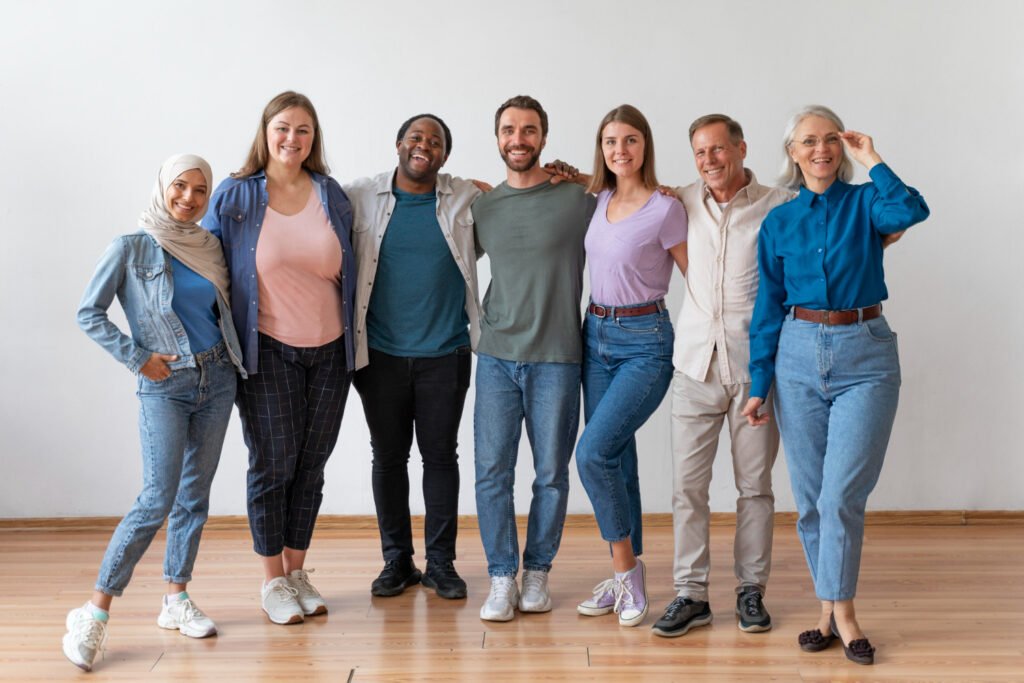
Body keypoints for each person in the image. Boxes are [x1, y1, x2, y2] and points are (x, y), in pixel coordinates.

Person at [743, 105, 929, 665]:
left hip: (864, 354)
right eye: (808, 141)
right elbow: (768, 307)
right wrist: (759, 383)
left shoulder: (867, 202)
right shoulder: (778, 221)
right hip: (796, 356)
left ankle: (842, 613)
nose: (820, 149)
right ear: (792, 153)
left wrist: (871, 157)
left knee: (841, 494)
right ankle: (826, 609)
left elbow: (913, 209)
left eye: (831, 140)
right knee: (809, 500)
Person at [65, 154, 244, 671]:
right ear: (163, 187)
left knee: (194, 495)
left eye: (200, 191)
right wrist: (137, 356)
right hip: (165, 385)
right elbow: (88, 313)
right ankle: (94, 613)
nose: (189, 199)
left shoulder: (210, 246)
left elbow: (221, 312)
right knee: (155, 499)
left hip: (218, 378)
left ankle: (176, 599)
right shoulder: (131, 246)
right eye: (180, 187)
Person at [204, 91, 356, 625]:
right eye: (283, 128)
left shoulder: (331, 194)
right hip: (267, 350)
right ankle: (271, 580)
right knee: (273, 465)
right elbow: (206, 268)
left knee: (311, 468)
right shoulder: (237, 196)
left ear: (315, 140)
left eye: (304, 131)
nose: (293, 139)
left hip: (332, 351)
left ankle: (295, 572)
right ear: (265, 132)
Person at [651, 114, 790, 638]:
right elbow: (621, 185)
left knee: (754, 488)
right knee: (688, 489)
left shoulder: (779, 204)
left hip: (755, 372)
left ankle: (750, 591)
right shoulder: (681, 200)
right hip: (694, 366)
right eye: (700, 153)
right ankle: (691, 594)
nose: (709, 161)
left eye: (717, 150)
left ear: (740, 148)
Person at [344, 114, 481, 600]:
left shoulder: (465, 198)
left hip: (446, 353)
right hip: (378, 354)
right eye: (417, 138)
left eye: (436, 141)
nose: (425, 146)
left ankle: (441, 563)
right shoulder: (360, 195)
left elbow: (515, 197)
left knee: (441, 457)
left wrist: (563, 173)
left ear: (445, 154)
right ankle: (396, 561)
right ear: (398, 143)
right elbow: (303, 195)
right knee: (388, 458)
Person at [473, 95, 596, 622]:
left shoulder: (577, 198)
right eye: (508, 130)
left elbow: (634, 191)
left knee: (550, 473)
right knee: (492, 471)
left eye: (528, 130)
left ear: (544, 137)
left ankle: (537, 572)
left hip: (558, 356)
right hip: (497, 355)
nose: (517, 139)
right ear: (497, 137)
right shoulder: (483, 206)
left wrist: (584, 173)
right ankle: (502, 577)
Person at [573, 105, 687, 628]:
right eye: (611, 141)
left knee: (593, 452)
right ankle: (629, 569)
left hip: (645, 341)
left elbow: (697, 278)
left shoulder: (666, 208)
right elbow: (570, 179)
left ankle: (625, 573)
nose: (620, 150)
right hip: (594, 336)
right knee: (617, 458)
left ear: (646, 147)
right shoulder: (598, 198)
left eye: (631, 140)